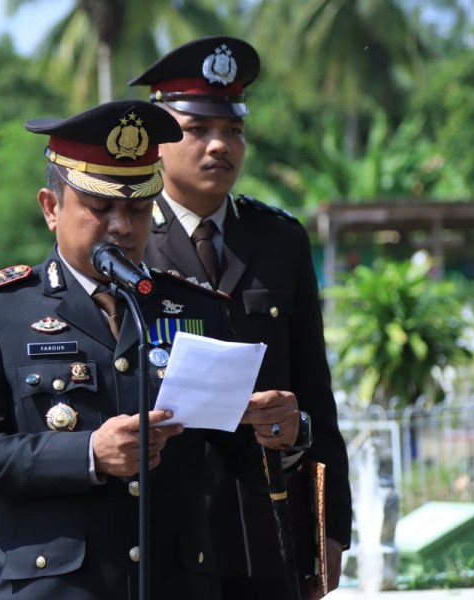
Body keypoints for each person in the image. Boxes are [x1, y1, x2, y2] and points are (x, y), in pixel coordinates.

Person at [0, 99, 304, 600]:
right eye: (100, 207)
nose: (121, 227)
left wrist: (282, 429)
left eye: (137, 209)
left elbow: (239, 452)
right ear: (51, 208)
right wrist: (89, 453)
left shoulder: (195, 308)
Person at [130, 36, 352, 599]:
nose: (219, 146)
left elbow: (314, 391)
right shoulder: (125, 241)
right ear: (157, 138)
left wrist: (330, 528)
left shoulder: (279, 239)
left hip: (268, 528)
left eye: (232, 130)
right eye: (197, 129)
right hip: (164, 533)